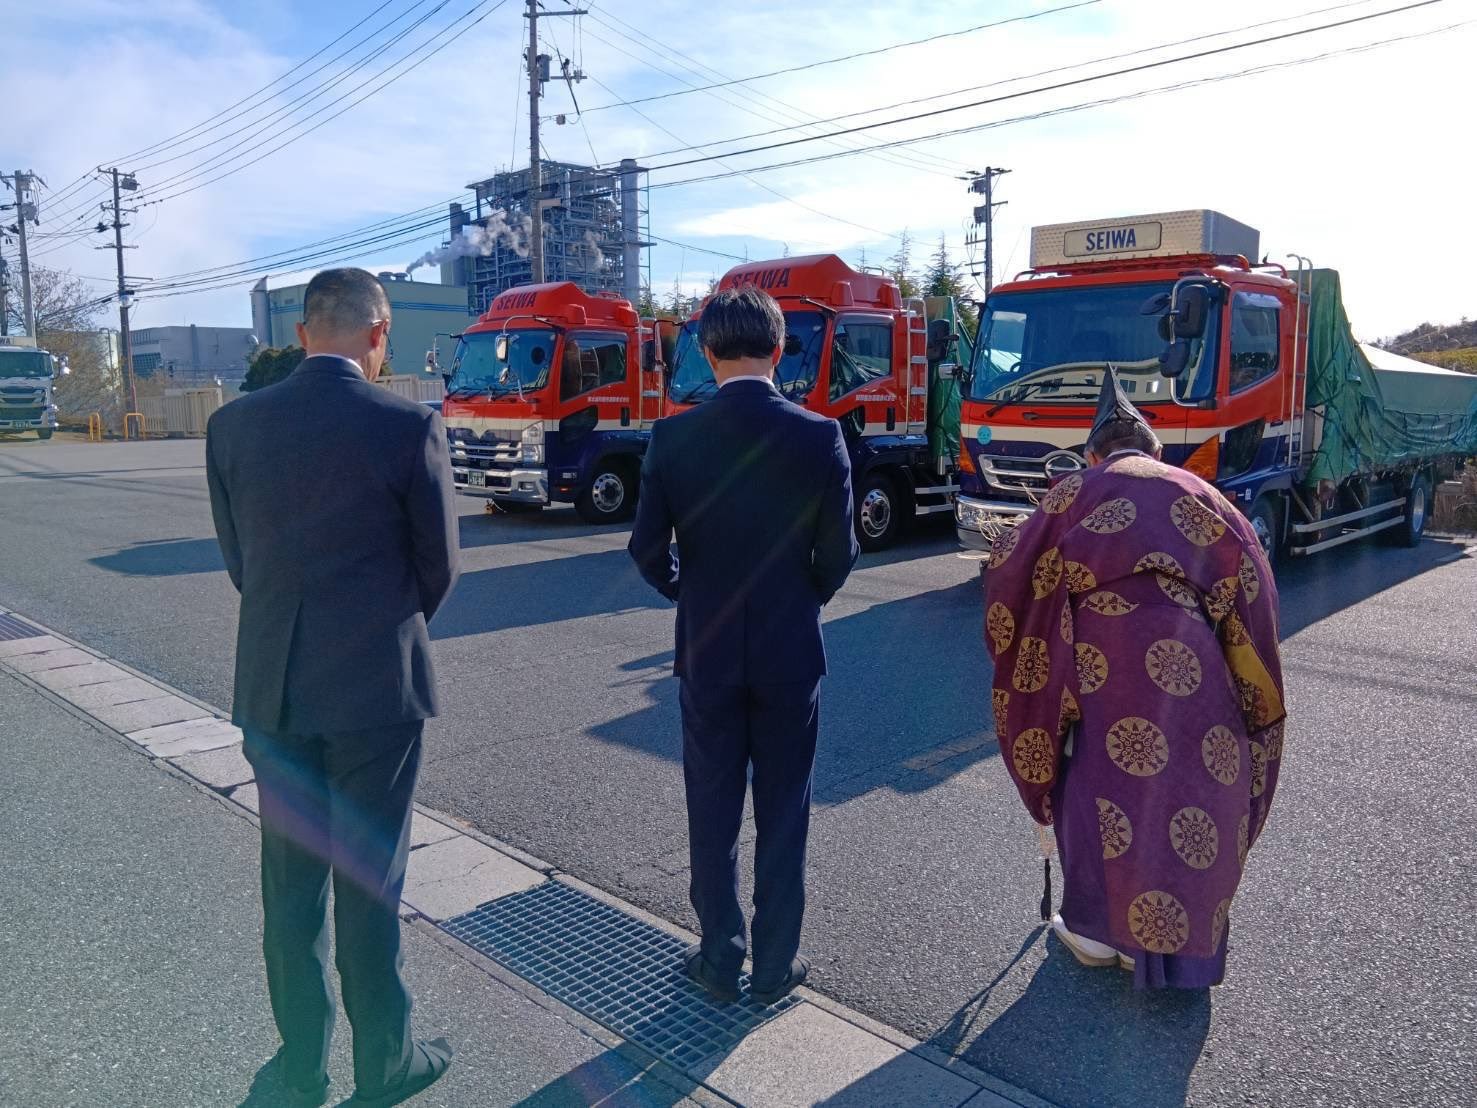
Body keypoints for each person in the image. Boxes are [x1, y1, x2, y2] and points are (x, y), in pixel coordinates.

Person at [206, 268, 460, 1105]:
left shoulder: (233, 425)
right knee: (369, 884)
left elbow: (241, 560)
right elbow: (437, 570)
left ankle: (299, 1069)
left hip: (274, 685)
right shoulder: (408, 424)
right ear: (378, 335)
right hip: (376, 692)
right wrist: (379, 630)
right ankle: (385, 1064)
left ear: (303, 332)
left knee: (289, 888)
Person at [983, 367, 1285, 989]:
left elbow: (1014, 572)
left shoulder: (1073, 492)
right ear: (1154, 450)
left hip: (1097, 667)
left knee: (1094, 780)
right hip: (1196, 664)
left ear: (1094, 454)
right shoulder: (1203, 495)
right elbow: (1254, 592)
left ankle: (1098, 934)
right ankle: (1182, 953)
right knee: (1193, 788)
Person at [628, 285, 859, 1005]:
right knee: (785, 810)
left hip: (708, 650)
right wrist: (801, 599)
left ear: (706, 352)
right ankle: (775, 964)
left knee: (712, 806)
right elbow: (840, 554)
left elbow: (646, 550)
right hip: (791, 652)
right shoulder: (819, 436)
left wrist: (689, 593)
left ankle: (719, 957)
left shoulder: (673, 438)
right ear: (780, 349)